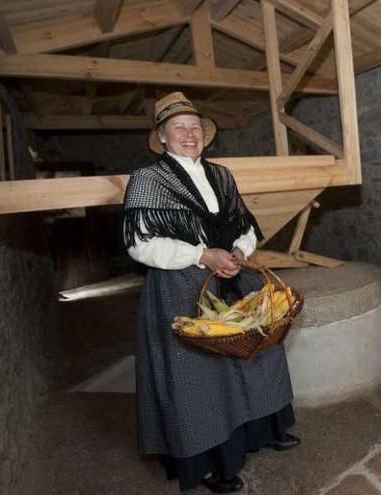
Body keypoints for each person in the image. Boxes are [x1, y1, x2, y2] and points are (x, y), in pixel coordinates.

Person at [123, 92, 299, 493]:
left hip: (234, 277)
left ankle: (265, 430)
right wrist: (202, 255)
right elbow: (139, 244)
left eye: (195, 127)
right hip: (181, 285)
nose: (189, 134)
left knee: (258, 354)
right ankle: (216, 462)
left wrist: (240, 250)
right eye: (179, 128)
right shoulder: (147, 181)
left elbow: (245, 226)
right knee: (199, 378)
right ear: (162, 137)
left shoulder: (221, 175)